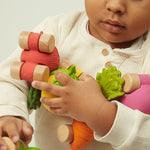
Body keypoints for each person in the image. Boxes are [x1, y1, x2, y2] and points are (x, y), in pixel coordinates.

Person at [0, 0, 150, 149]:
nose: (115, 6)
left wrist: (102, 115)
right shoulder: (58, 29)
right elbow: (11, 78)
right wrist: (10, 114)